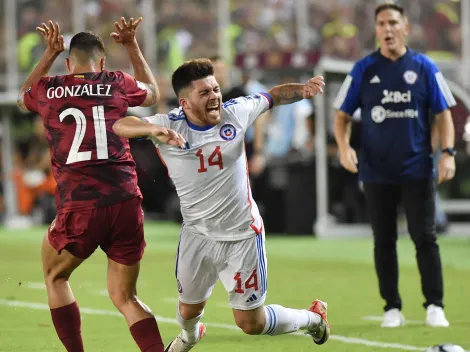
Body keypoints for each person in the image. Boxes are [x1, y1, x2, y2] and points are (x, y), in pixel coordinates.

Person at [112, 58, 330, 352]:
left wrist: (303, 89)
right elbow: (120, 124)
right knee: (187, 312)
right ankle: (190, 336)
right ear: (185, 103)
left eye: (215, 89)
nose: (215, 96)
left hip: (241, 235)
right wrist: (151, 131)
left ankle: (312, 318)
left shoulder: (236, 112)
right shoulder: (169, 124)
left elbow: (274, 95)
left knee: (250, 323)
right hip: (197, 235)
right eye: (204, 93)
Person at [17, 18, 183, 352]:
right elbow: (152, 94)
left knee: (55, 276)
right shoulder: (117, 81)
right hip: (125, 200)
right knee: (126, 297)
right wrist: (132, 45)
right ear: (102, 61)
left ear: (68, 63)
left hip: (80, 203)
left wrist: (48, 55)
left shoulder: (50, 88)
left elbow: (23, 99)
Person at [333, 2, 456, 328]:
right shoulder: (362, 69)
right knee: (383, 241)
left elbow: (444, 114)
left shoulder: (426, 67)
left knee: (424, 238)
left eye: (392, 23)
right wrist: (344, 148)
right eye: (381, 24)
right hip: (376, 171)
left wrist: (448, 153)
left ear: (405, 28)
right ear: (376, 30)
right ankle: (392, 308)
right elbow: (341, 115)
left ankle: (435, 305)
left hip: (417, 169)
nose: (387, 29)